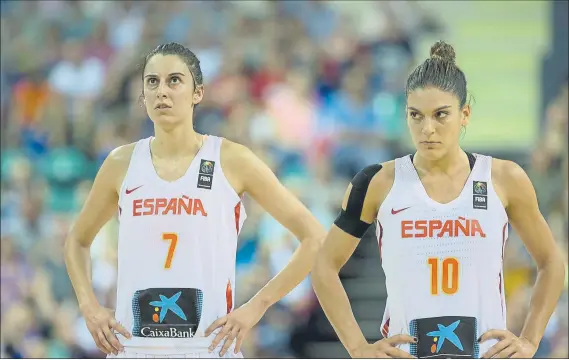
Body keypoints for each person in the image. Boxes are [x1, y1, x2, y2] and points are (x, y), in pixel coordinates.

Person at [64, 42, 325, 358]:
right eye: (152, 81)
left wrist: (257, 306)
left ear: (197, 92)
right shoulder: (121, 163)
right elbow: (77, 240)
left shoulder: (231, 158)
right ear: (142, 96)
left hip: (208, 348)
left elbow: (314, 238)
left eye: (174, 80)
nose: (162, 91)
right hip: (135, 348)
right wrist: (89, 306)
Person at [312, 41, 566, 359]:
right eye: (415, 115)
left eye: (440, 115)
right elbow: (323, 266)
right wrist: (358, 347)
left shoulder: (503, 178)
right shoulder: (377, 182)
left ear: (465, 115)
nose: (427, 128)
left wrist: (529, 340)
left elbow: (552, 263)